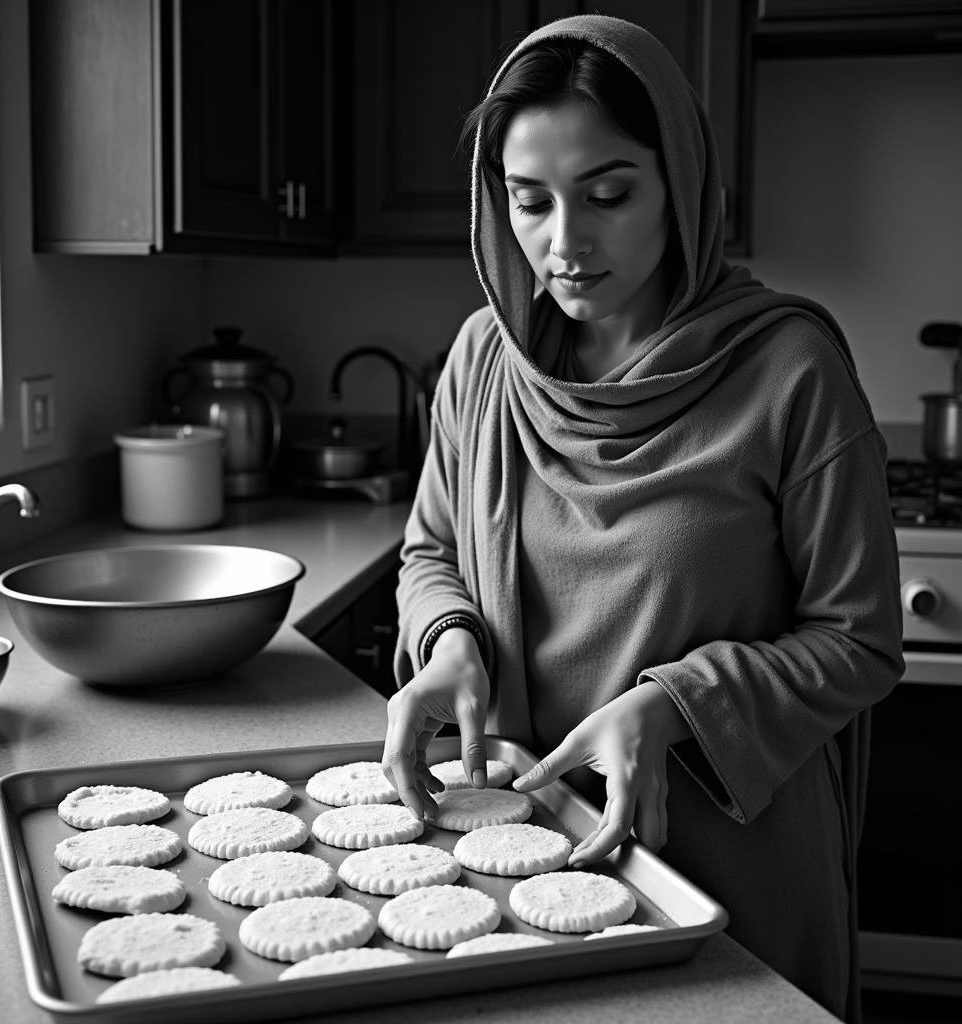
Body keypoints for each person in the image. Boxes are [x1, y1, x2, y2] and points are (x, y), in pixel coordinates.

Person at [381, 15, 903, 1024]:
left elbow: (860, 639)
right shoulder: (483, 361)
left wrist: (675, 704)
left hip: (731, 863)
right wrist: (447, 644)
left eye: (609, 194)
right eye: (529, 202)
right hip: (525, 863)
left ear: (681, 185)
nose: (564, 244)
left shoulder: (789, 371)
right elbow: (430, 549)